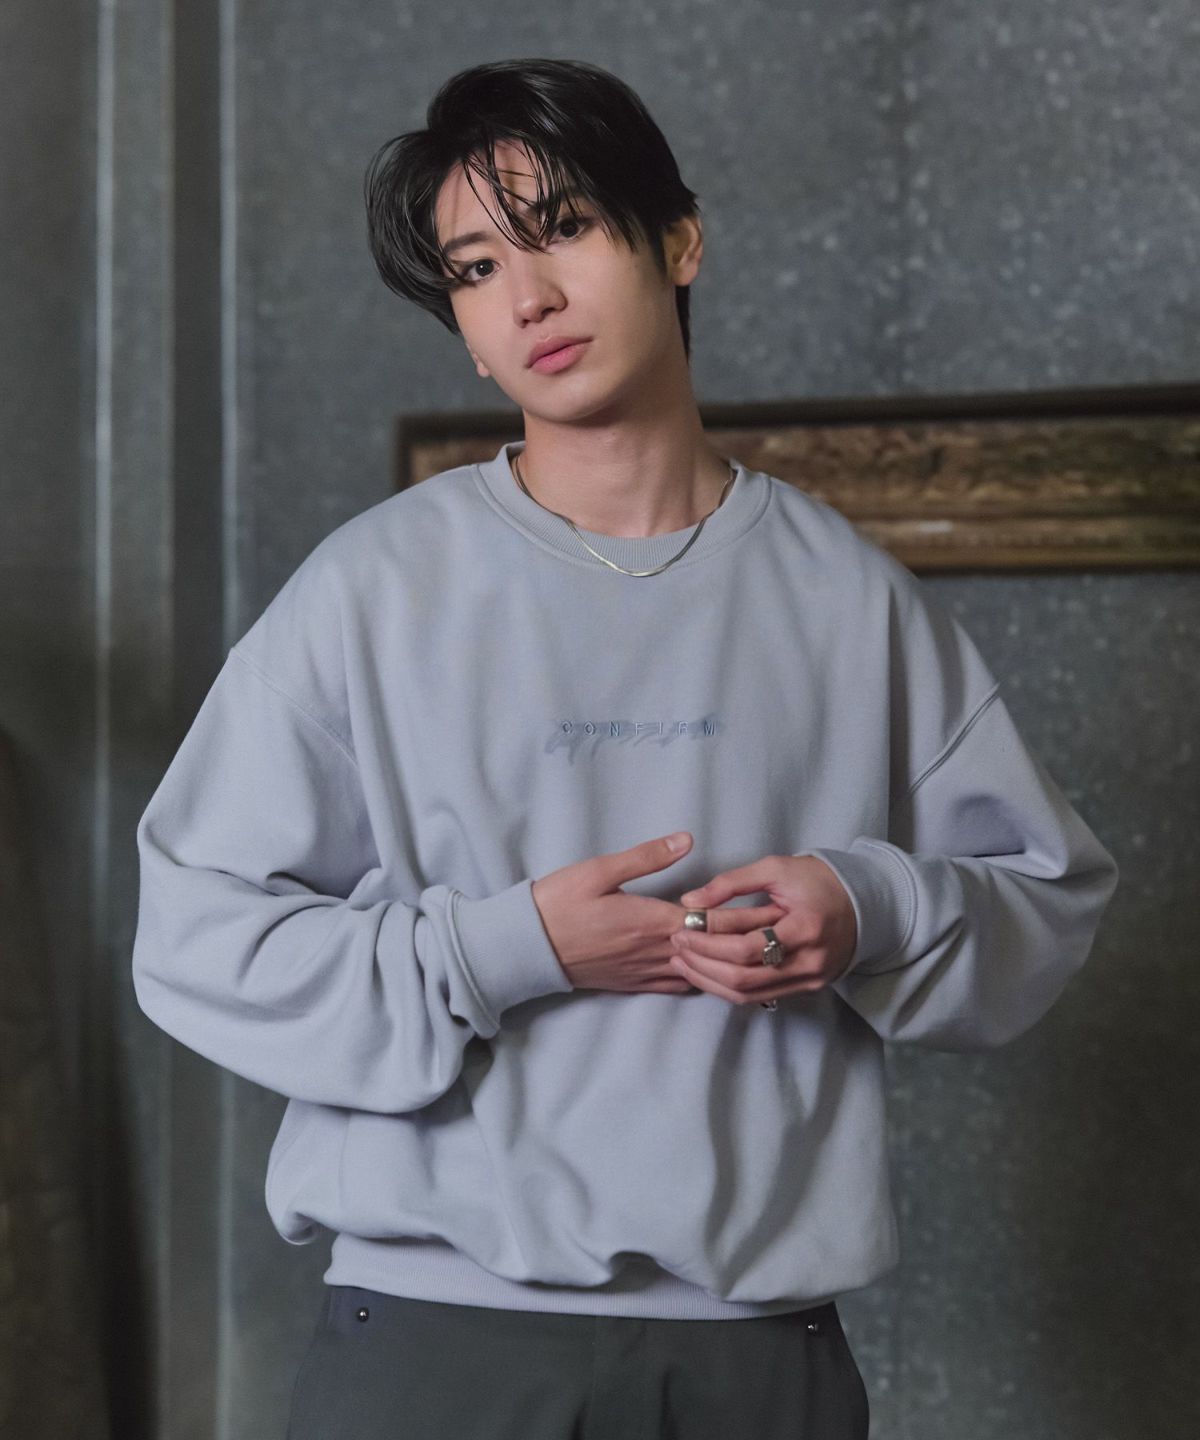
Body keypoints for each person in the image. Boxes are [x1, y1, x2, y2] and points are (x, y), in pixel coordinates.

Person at [130, 57, 1120, 1440]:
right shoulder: (370, 592)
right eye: (477, 268)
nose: (528, 297)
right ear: (466, 333)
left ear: (679, 241)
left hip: (756, 1358)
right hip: (426, 1343)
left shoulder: (847, 599)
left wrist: (868, 907)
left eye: (566, 229)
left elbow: (1047, 898)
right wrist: (508, 950)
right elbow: (191, 938)